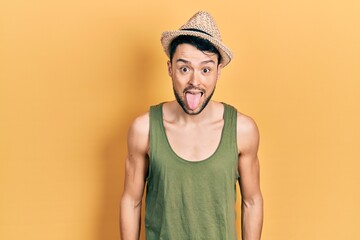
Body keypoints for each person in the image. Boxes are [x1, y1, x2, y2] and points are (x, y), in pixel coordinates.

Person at [120, 11, 263, 240]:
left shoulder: (242, 130)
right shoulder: (144, 129)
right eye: (184, 68)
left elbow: (252, 200)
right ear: (170, 69)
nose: (195, 81)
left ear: (218, 71)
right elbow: (131, 201)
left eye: (205, 69)